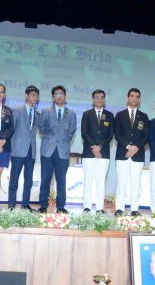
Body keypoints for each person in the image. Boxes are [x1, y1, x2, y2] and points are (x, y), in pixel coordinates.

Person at [38, 85, 77, 214]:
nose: (59, 96)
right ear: (53, 97)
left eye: (61, 94)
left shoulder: (71, 114)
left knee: (61, 180)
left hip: (63, 151)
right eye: (56, 94)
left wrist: (62, 138)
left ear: (65, 96)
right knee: (45, 179)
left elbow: (71, 131)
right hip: (47, 150)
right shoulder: (46, 111)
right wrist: (51, 137)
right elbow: (41, 128)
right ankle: (43, 205)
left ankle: (60, 206)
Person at [114, 88, 149, 217]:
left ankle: (135, 208)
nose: (134, 98)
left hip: (138, 155)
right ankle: (119, 208)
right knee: (121, 182)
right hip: (122, 154)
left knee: (136, 183)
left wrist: (135, 148)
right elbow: (117, 134)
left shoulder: (144, 116)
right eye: (132, 96)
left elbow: (146, 136)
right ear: (127, 98)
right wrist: (128, 146)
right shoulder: (119, 115)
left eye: (137, 96)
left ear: (139, 100)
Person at [81, 89, 114, 213]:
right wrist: (94, 147)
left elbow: (110, 135)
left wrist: (100, 147)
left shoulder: (110, 115)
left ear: (104, 100)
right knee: (88, 181)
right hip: (89, 153)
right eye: (96, 97)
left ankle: (100, 208)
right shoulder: (86, 114)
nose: (99, 99)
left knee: (101, 182)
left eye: (101, 97)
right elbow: (84, 133)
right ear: (93, 99)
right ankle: (87, 206)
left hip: (103, 153)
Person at [8, 85, 40, 211]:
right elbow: (11, 130)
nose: (35, 98)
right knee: (14, 178)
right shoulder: (16, 110)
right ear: (26, 96)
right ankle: (11, 204)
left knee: (29, 179)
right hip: (18, 150)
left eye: (37, 96)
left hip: (31, 151)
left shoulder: (37, 114)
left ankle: (25, 204)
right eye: (33, 95)